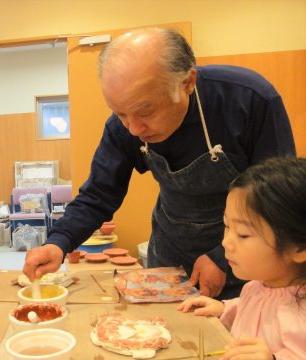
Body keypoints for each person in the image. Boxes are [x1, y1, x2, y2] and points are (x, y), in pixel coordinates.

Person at [23, 27, 296, 299]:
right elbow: (97, 195)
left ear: (187, 83)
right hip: (170, 255)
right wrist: (58, 242)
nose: (133, 128)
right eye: (120, 114)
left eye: (145, 111)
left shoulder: (248, 100)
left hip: (247, 263)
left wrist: (221, 258)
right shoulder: (125, 127)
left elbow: (278, 199)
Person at [178, 157, 306, 359]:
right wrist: (223, 309)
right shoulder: (255, 288)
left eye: (243, 234)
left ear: (298, 248)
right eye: (227, 227)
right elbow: (252, 309)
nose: (225, 243)